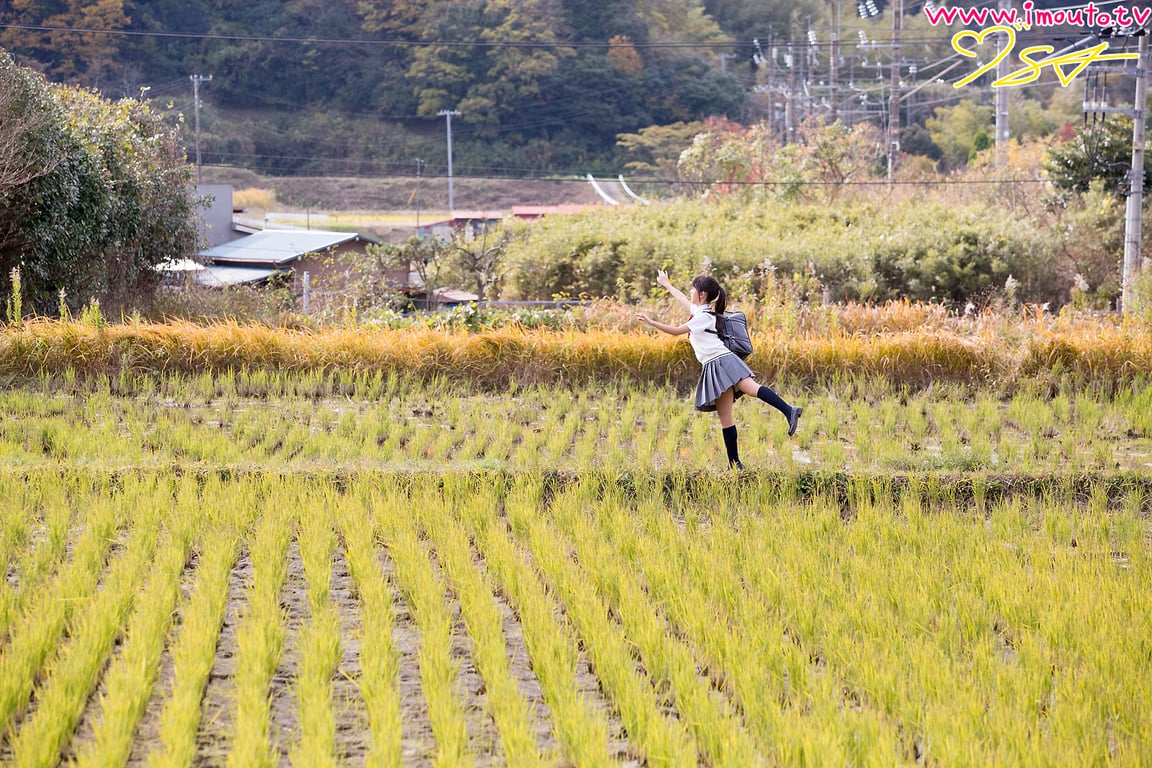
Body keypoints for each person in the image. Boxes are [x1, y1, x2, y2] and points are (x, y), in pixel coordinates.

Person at [636, 270, 802, 469]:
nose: (690, 292)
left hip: (722, 360)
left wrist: (651, 322)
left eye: (693, 289)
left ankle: (789, 410)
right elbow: (681, 298)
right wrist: (666, 284)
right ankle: (735, 464)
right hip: (712, 365)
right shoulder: (699, 312)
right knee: (725, 417)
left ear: (702, 294)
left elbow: (677, 332)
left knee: (751, 388)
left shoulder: (704, 317)